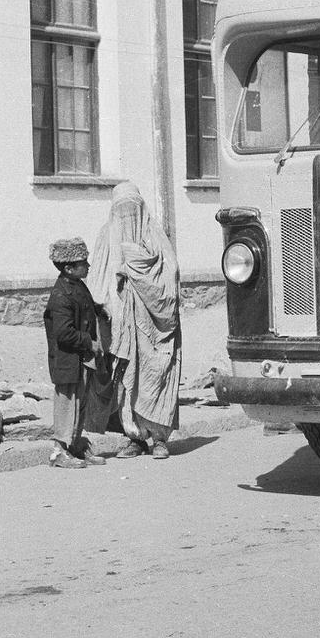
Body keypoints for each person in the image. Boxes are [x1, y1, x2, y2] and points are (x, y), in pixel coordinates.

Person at [89, 183, 182, 459]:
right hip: (120, 323)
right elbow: (97, 278)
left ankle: (159, 438)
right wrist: (105, 304)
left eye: (133, 209)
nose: (127, 216)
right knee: (125, 379)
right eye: (121, 210)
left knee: (157, 375)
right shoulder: (106, 235)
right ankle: (134, 438)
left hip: (155, 325)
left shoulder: (154, 235)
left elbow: (170, 276)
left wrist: (133, 268)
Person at [43, 237, 107, 470]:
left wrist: (100, 310)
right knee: (67, 405)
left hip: (79, 360)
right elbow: (63, 333)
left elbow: (84, 308)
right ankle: (58, 452)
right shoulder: (61, 295)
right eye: (83, 262)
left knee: (80, 404)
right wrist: (90, 343)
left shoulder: (76, 286)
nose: (87, 266)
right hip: (67, 361)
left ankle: (76, 446)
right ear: (69, 268)